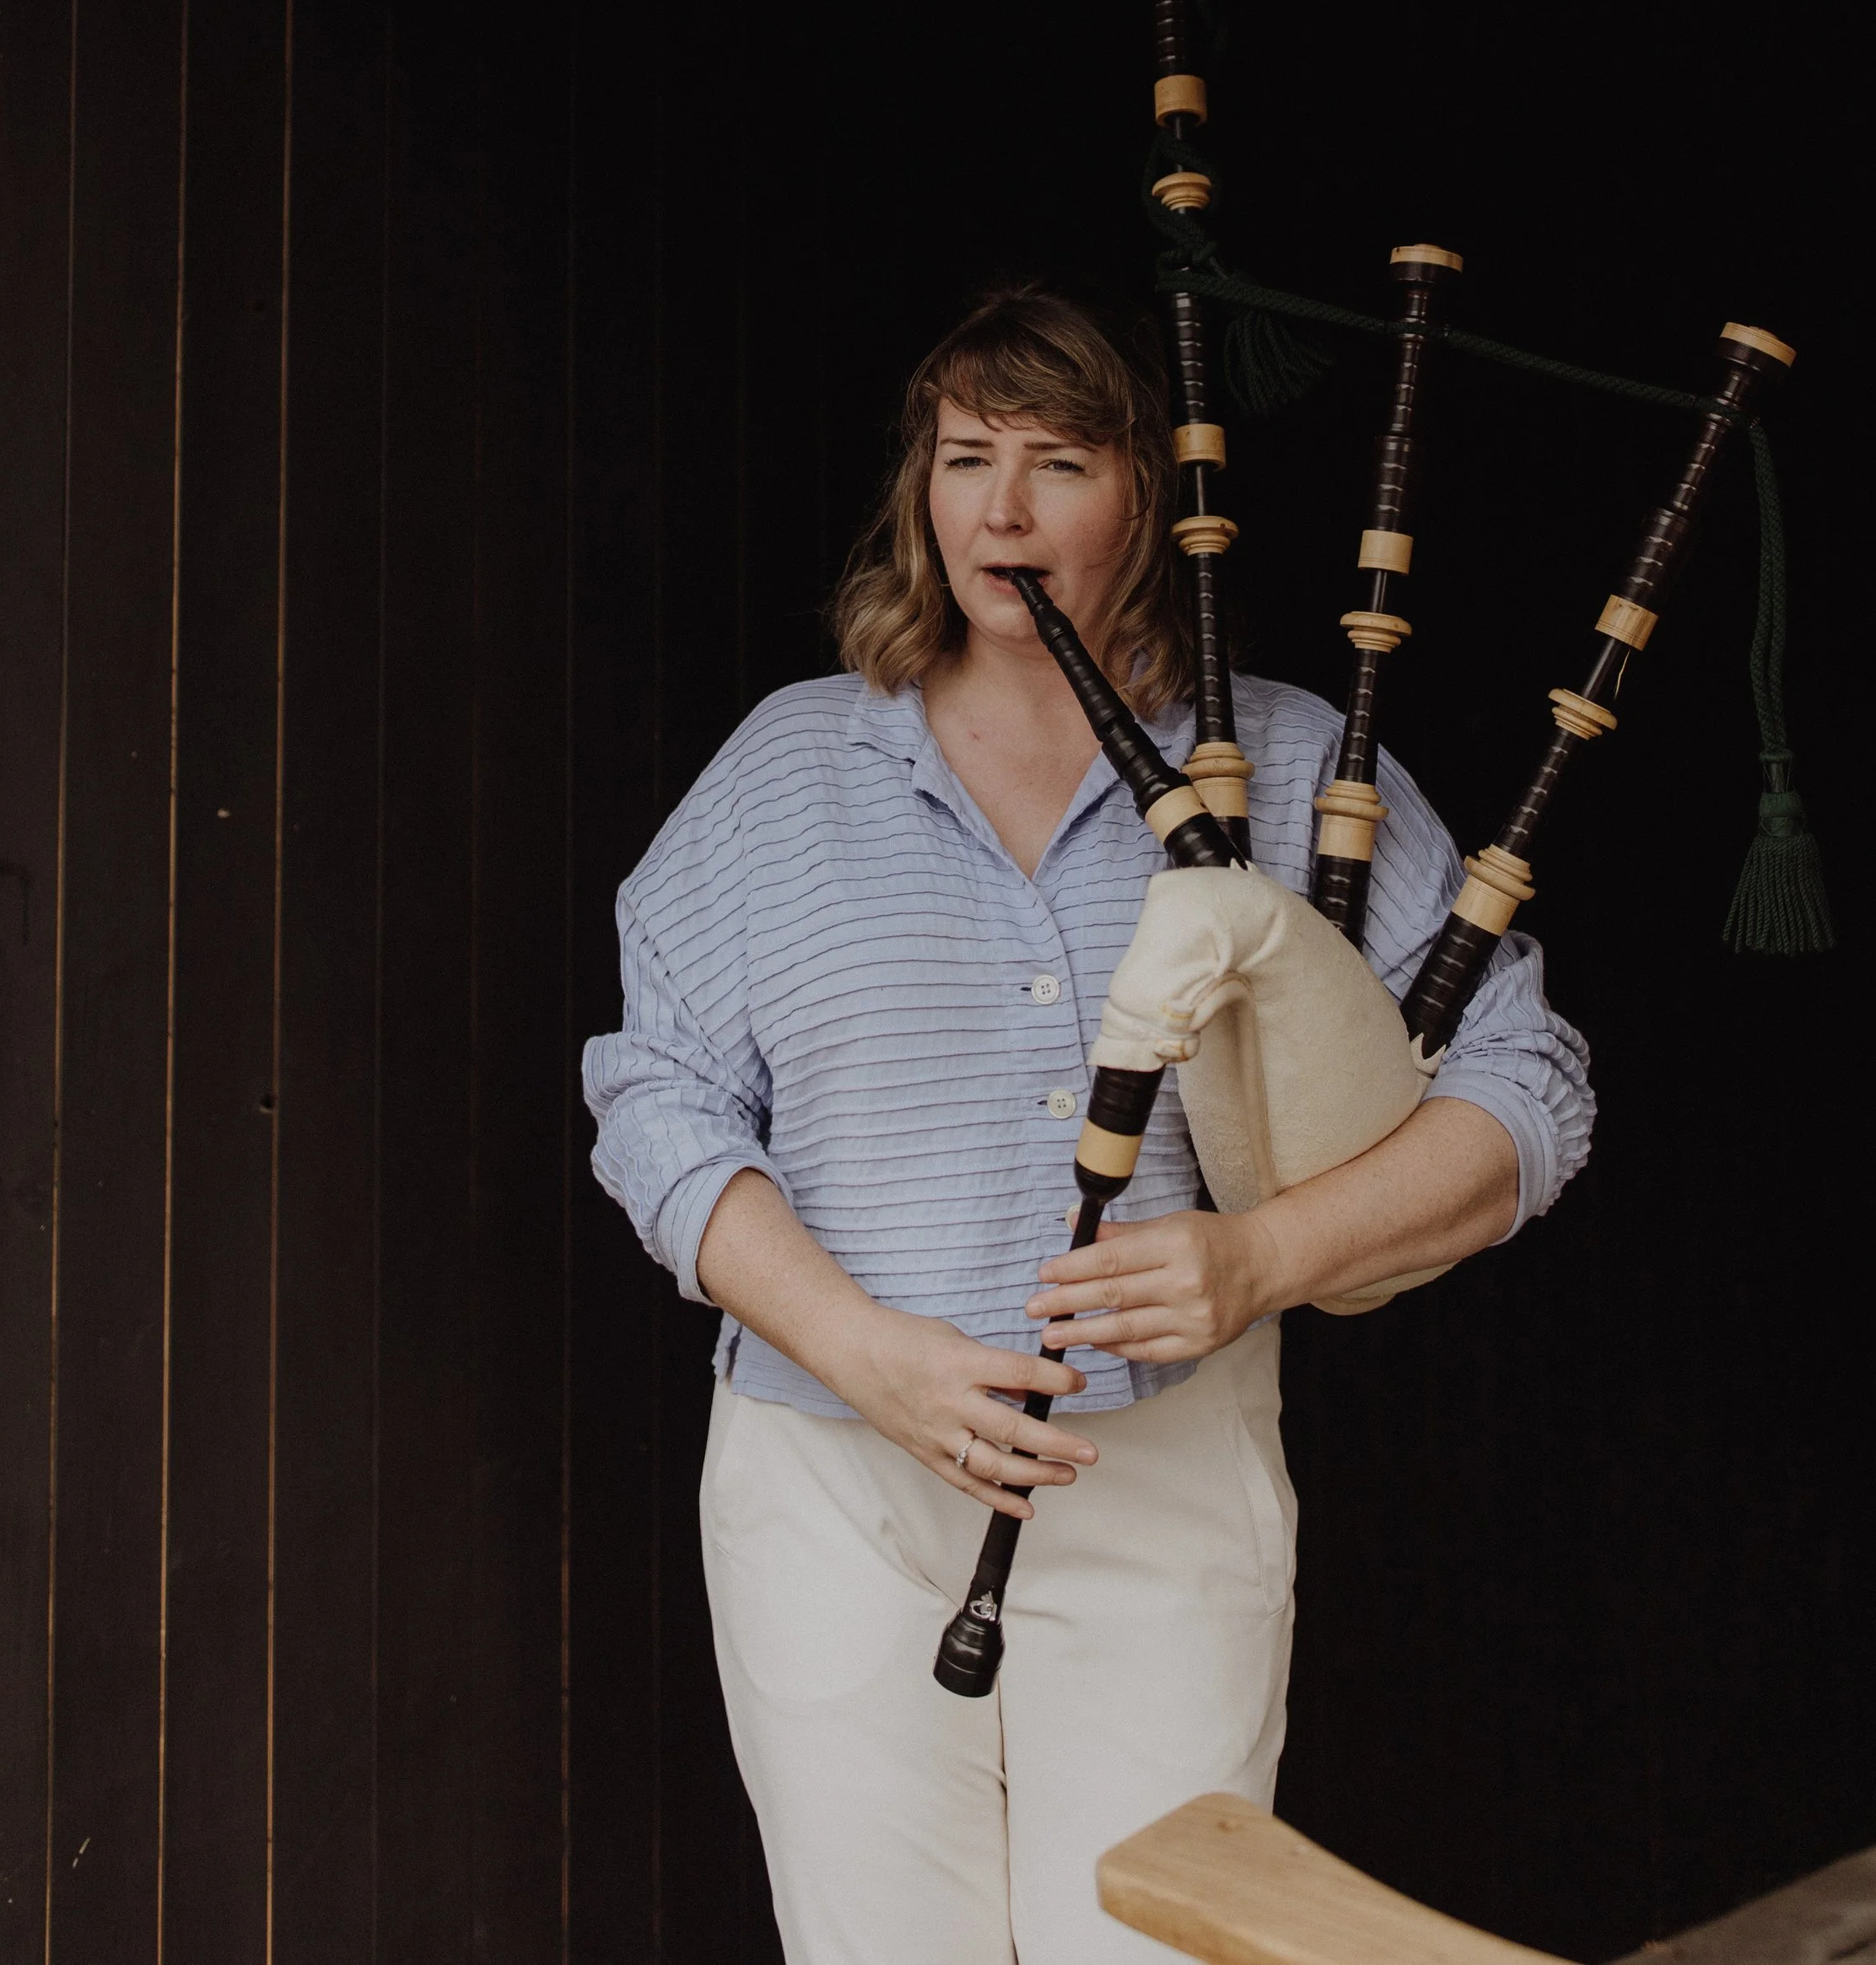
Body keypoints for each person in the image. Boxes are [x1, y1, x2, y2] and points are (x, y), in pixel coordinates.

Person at [583, 288, 1592, 1965]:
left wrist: (1260, 1253)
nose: (998, 508)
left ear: (1154, 499)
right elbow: (654, 1094)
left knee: (1158, 1946)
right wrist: (857, 1347)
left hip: (1162, 1468)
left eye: (1057, 461)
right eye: (963, 457)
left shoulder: (1282, 762)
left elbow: (1522, 1080)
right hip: (836, 1485)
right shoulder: (791, 766)